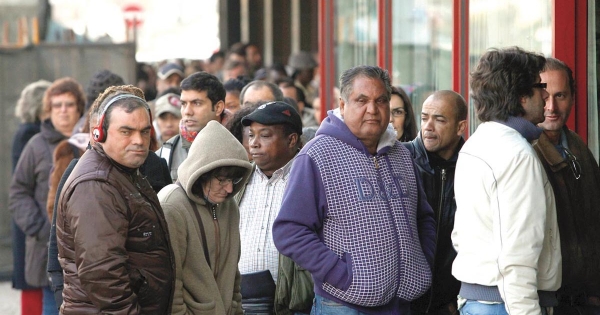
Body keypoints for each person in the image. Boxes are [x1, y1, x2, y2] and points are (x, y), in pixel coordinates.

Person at [272, 65, 435, 314]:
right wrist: (340, 274)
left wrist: (422, 260)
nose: (372, 109)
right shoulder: (317, 155)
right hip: (344, 304)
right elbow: (289, 230)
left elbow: (423, 216)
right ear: (343, 104)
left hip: (402, 303)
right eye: (362, 100)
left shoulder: (401, 154)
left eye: (381, 100)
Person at [451, 47, 561, 315]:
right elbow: (518, 256)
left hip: (481, 300)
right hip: (506, 305)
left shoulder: (476, 143)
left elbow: (461, 236)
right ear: (522, 96)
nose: (546, 94)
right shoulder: (517, 154)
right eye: (540, 86)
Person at [55, 85, 174, 313]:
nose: (139, 141)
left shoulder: (123, 172)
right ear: (100, 133)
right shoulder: (96, 185)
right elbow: (102, 275)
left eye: (144, 131)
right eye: (126, 132)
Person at [159, 121, 252, 314]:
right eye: (222, 179)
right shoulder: (172, 205)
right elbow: (168, 280)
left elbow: (233, 273)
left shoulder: (229, 206)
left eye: (234, 180)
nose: (229, 189)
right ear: (202, 172)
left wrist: (235, 309)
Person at [10, 77, 85, 315]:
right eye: (57, 105)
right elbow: (18, 192)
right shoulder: (35, 145)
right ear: (48, 110)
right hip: (47, 252)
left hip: (86, 251)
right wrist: (41, 228)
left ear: (79, 108)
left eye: (69, 104)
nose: (63, 111)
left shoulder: (90, 143)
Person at [534, 57, 600, 315]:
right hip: (549, 301)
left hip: (586, 298)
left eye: (560, 95)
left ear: (573, 97)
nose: (551, 106)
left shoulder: (579, 147)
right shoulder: (524, 151)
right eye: (544, 95)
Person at [235, 101, 313, 314]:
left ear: (291, 140)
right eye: (251, 135)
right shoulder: (238, 180)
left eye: (265, 135)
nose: (254, 143)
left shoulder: (309, 178)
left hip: (295, 302)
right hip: (243, 301)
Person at [404, 90, 467, 315]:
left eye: (439, 119)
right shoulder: (402, 159)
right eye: (424, 118)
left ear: (461, 127)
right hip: (405, 305)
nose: (428, 126)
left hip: (451, 305)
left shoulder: (474, 166)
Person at [11, 79, 52, 315]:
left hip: (32, 223)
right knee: (34, 297)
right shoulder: (30, 135)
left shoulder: (26, 132)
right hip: (34, 224)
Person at [157, 71, 225, 182]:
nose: (187, 111)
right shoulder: (165, 154)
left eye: (197, 103)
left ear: (218, 108)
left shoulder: (240, 144)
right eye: (183, 104)